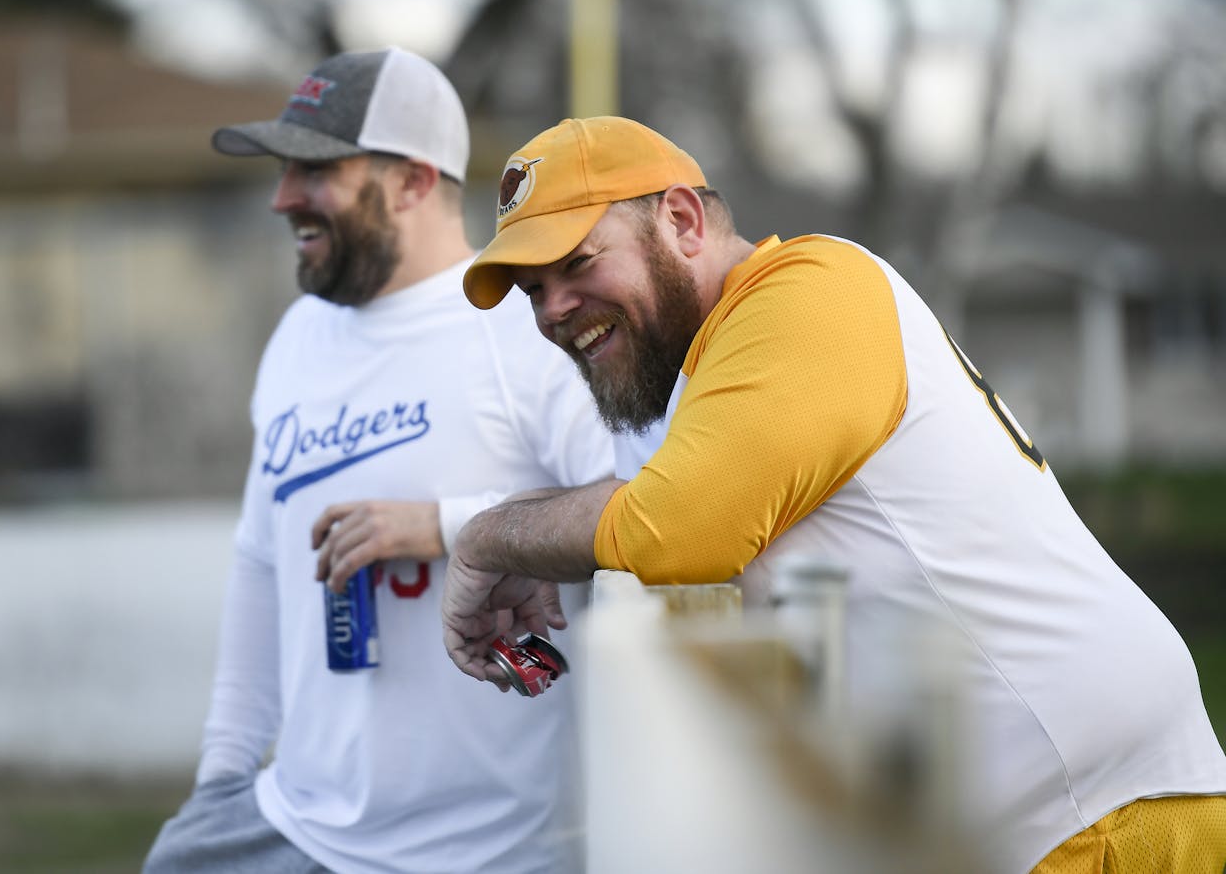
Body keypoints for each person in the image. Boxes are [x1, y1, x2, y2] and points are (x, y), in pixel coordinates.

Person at [441, 115, 1226, 874]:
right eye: (532, 290)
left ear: (682, 218)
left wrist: (487, 537)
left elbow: (674, 527)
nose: (552, 309)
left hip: (1095, 813)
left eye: (576, 262)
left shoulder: (807, 289)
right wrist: (525, 539)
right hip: (1026, 815)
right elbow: (648, 502)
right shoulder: (709, 362)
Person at [143, 50, 613, 874]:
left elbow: (639, 507)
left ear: (414, 182)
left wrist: (447, 527)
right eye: (284, 168)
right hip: (294, 827)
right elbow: (261, 564)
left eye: (315, 168)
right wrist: (220, 782)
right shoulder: (297, 336)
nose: (283, 196)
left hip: (491, 853)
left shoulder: (526, 328)